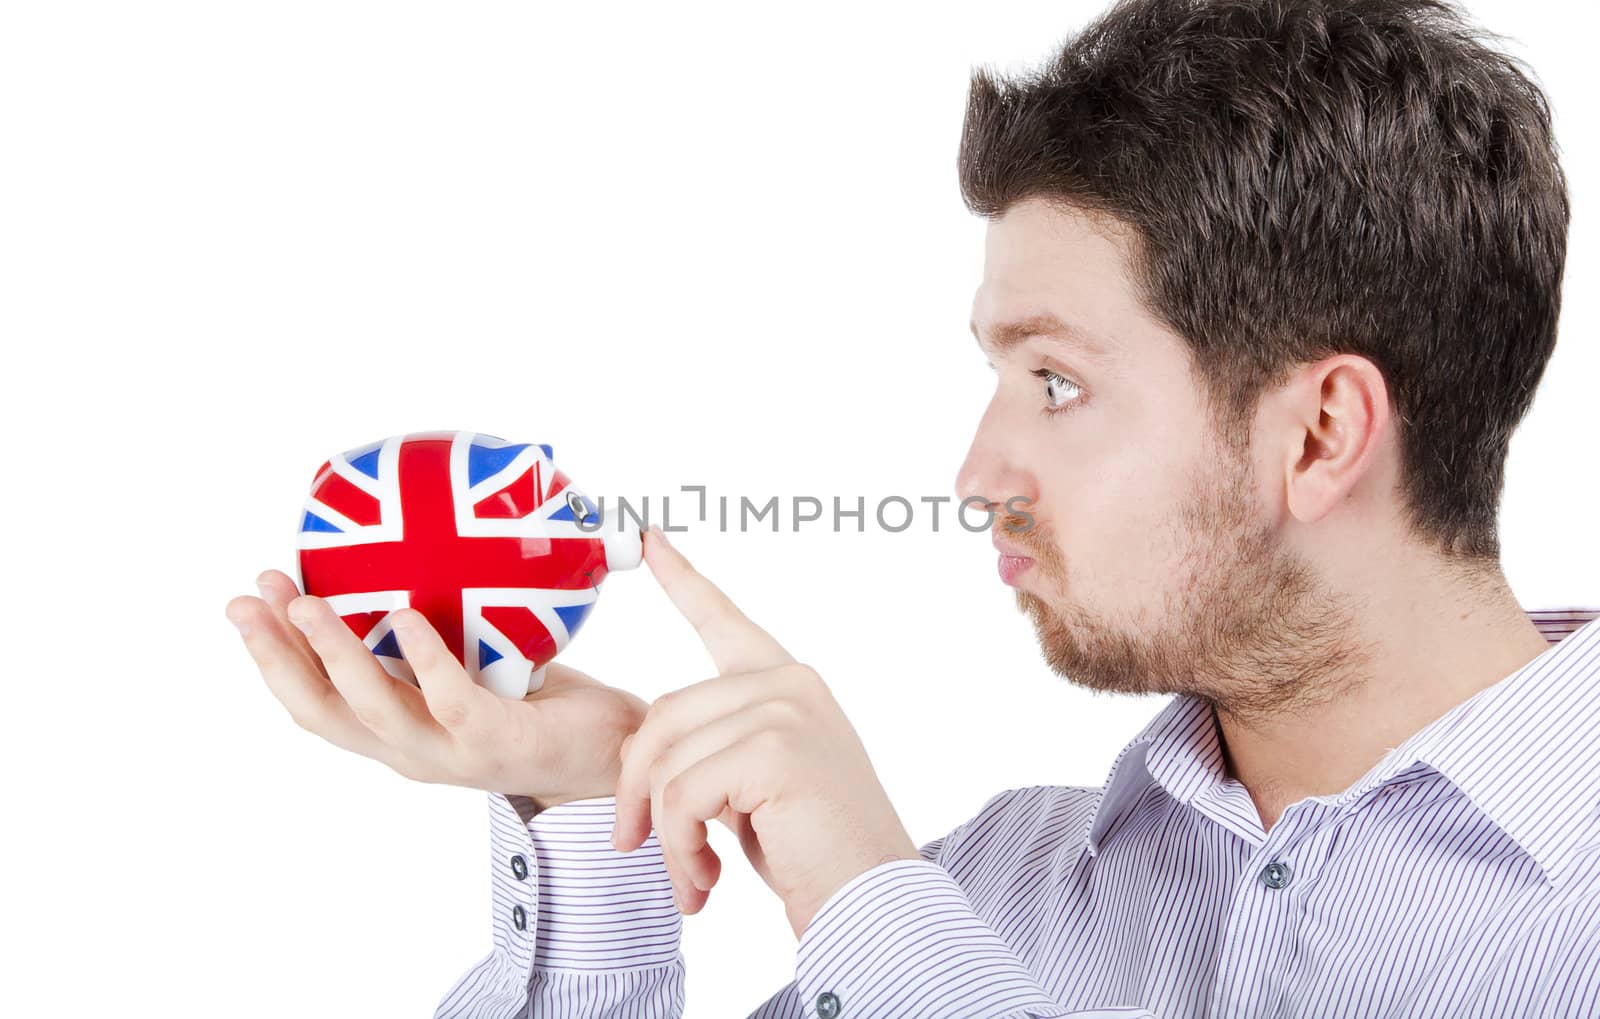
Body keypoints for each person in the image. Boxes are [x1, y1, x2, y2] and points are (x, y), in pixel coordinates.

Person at [225, 0, 1600, 1015]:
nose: (976, 475)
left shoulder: (900, 915)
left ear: (1319, 435)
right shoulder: (997, 887)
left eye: (1056, 381)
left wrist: (870, 904)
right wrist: (591, 810)